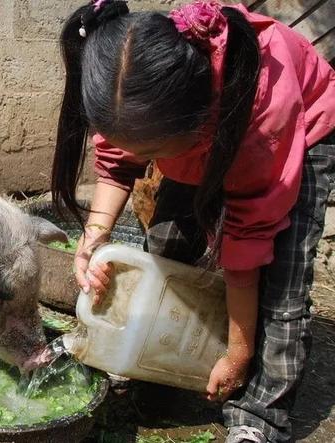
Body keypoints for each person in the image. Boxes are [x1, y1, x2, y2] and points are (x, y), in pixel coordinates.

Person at [50, 1, 335, 442]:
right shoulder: (127, 88)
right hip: (198, 133)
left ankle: (259, 414)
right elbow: (115, 165)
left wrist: (240, 352)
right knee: (166, 247)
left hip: (298, 128)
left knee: (282, 282)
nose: (141, 163)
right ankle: (162, 368)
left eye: (150, 155)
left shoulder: (259, 114)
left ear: (192, 123)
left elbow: (247, 239)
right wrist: (94, 238)